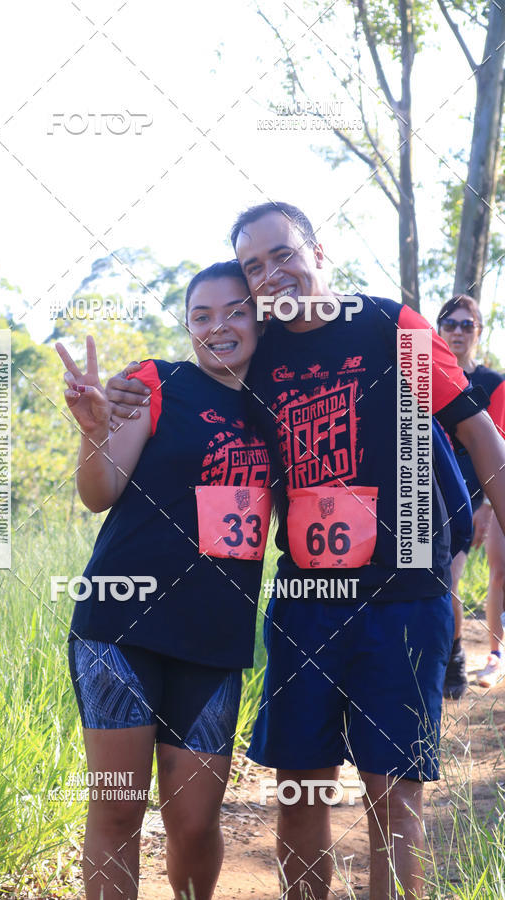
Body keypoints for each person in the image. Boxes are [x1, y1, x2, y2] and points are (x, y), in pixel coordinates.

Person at [109, 202, 505, 900]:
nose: (271, 274)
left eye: (283, 253)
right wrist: (122, 398)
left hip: (404, 600)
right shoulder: (260, 352)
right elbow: (195, 382)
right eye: (254, 265)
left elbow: (478, 438)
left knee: (394, 804)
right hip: (305, 605)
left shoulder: (390, 324)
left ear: (319, 251)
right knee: (298, 796)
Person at [56, 260, 271, 900]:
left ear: (260, 317)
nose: (218, 326)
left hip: (214, 636)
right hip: (119, 624)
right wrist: (95, 435)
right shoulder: (159, 384)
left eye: (234, 310)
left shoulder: (282, 409)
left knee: (196, 822)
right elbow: (100, 492)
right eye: (200, 316)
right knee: (118, 811)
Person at [437, 294, 505, 697]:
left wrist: (484, 504)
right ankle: (449, 653)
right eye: (450, 324)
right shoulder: (421, 376)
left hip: (479, 496)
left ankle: (464, 656)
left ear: (478, 332)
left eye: (467, 324)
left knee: (464, 577)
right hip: (431, 494)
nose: (458, 331)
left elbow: (495, 448)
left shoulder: (493, 385)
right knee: (438, 581)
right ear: (439, 330)